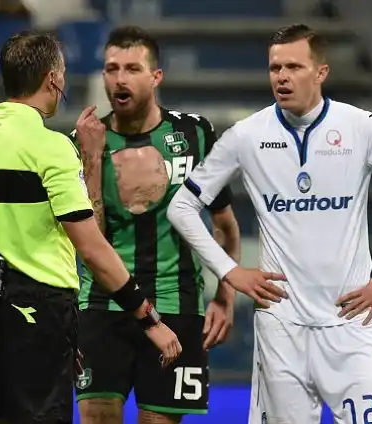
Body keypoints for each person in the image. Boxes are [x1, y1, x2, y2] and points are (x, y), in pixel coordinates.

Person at [167, 24, 372, 424]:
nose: (281, 77)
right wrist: (230, 272)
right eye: (274, 67)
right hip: (282, 326)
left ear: (321, 72)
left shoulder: (361, 128)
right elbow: (182, 206)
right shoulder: (246, 136)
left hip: (351, 324)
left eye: (294, 66)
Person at [0, 30, 181, 424]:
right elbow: (92, 248)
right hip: (41, 307)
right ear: (53, 79)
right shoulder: (51, 146)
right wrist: (148, 318)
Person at [71, 25, 284, 424]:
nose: (119, 78)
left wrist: (223, 298)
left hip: (177, 305)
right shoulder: (83, 142)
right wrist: (92, 161)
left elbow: (225, 225)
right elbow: (91, 241)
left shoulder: (195, 135)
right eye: (111, 68)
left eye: (132, 68)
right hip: (102, 307)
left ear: (156, 77)